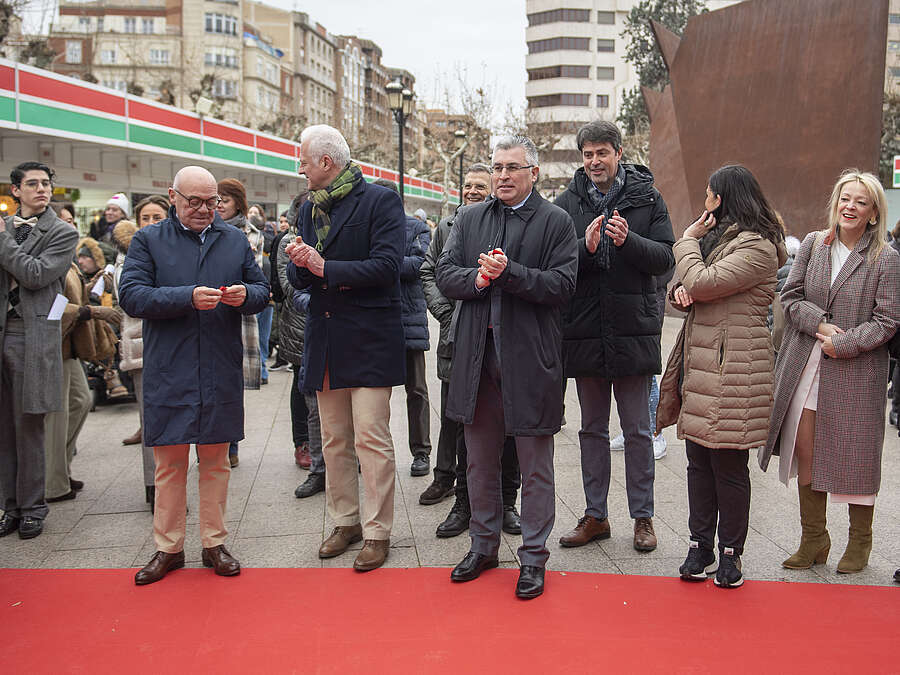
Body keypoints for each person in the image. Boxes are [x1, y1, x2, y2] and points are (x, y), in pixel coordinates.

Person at [436, 135, 577, 599]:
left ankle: (533, 557)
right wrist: (477, 278)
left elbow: (562, 285)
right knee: (478, 462)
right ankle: (483, 545)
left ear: (533, 173)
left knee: (535, 466)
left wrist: (509, 273)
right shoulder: (470, 217)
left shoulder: (556, 222)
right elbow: (444, 273)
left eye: (512, 168)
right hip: (476, 360)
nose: (502, 176)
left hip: (530, 362)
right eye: (497, 168)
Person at [119, 166, 269, 585]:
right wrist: (185, 297)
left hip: (219, 362)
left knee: (216, 459)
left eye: (212, 202)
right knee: (169, 461)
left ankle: (213, 542)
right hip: (171, 364)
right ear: (173, 197)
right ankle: (168, 548)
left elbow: (261, 290)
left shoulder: (234, 238)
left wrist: (245, 296)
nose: (205, 210)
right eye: (195, 202)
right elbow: (131, 295)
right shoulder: (149, 240)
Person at [762, 169, 900, 575]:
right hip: (807, 362)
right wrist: (820, 324)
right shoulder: (813, 244)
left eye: (860, 201)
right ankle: (814, 537)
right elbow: (790, 296)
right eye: (844, 198)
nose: (850, 207)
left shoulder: (886, 258)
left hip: (857, 370)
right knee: (807, 450)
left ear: (874, 212)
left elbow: (889, 319)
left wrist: (845, 342)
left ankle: (860, 540)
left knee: (856, 455)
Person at [657, 164, 786, 588]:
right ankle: (700, 545)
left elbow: (704, 281)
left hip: (736, 369)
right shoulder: (721, 241)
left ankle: (732, 553)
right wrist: (682, 294)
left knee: (728, 464)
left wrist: (688, 240)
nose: (705, 202)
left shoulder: (759, 246)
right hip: (703, 361)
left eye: (711, 195)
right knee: (697, 461)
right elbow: (694, 289)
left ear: (726, 199)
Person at [286, 124, 406, 572]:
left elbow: (388, 266)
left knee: (372, 440)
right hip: (326, 338)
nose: (300, 169)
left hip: (370, 339)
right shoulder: (307, 208)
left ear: (326, 162)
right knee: (334, 440)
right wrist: (300, 264)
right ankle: (345, 522)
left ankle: (377, 531)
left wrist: (325, 265)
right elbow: (304, 279)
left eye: (303, 161)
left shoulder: (381, 200)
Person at [554, 120, 675, 554]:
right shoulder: (566, 203)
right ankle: (595, 515)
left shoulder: (647, 197)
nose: (594, 162)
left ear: (618, 153)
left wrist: (629, 242)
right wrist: (583, 252)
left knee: (638, 430)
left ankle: (643, 518)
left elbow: (665, 259)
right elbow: (557, 267)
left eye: (601, 153)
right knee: (590, 429)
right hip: (585, 330)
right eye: (587, 154)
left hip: (633, 328)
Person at [419, 163, 522, 539]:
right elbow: (429, 273)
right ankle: (461, 499)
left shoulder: (505, 223)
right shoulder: (447, 227)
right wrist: (448, 315)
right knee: (458, 422)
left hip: (502, 344)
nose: (473, 191)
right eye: (468, 185)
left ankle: (507, 502)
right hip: (456, 340)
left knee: (509, 427)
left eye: (481, 185)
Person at [0, 161, 79, 540]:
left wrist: (2, 242)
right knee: (3, 427)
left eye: (45, 183)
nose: (41, 190)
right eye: (32, 184)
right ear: (16, 190)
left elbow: (34, 275)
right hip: (4, 332)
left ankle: (33, 508)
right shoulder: (7, 228)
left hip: (31, 334)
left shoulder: (62, 232)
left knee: (28, 423)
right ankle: (9, 506)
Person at [373, 179, 433, 477]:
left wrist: (381, 264)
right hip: (374, 323)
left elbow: (421, 265)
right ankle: (373, 452)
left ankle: (421, 452)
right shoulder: (366, 228)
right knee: (373, 394)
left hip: (407, 319)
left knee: (417, 390)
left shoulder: (416, 228)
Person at [216, 179, 264, 468]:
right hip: (204, 308)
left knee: (231, 383)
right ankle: (213, 443)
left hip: (238, 312)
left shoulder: (250, 234)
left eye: (225, 199)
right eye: (216, 199)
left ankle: (230, 445)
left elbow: (252, 277)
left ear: (238, 202)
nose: (219, 205)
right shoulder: (203, 231)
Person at [119, 195, 169, 454]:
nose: (150, 223)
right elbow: (128, 298)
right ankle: (153, 486)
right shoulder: (126, 254)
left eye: (157, 217)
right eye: (145, 218)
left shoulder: (174, 248)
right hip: (139, 343)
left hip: (172, 340)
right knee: (149, 415)